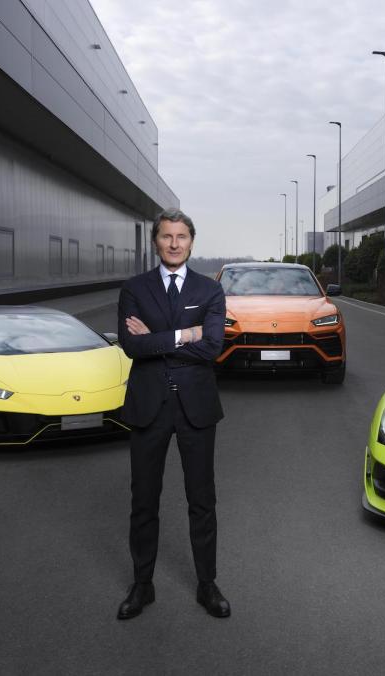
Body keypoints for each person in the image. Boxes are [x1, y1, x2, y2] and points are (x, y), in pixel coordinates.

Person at [115, 208, 230, 619]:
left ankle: (207, 584)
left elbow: (212, 347)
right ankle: (142, 585)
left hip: (196, 407)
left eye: (181, 236)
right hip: (149, 406)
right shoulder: (134, 289)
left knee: (202, 500)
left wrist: (159, 339)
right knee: (144, 500)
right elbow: (132, 346)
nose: (174, 243)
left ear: (191, 242)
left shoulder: (210, 290)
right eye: (167, 236)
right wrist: (186, 334)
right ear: (156, 242)